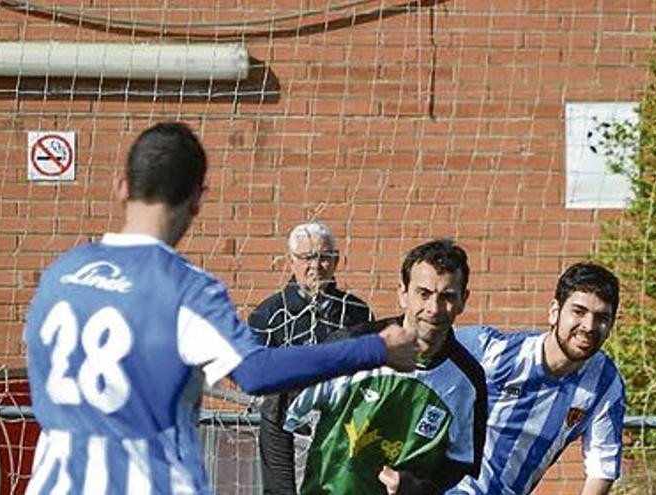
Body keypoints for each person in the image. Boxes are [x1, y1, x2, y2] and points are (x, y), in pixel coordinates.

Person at [21, 122, 418, 494]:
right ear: (197, 199)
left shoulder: (61, 274)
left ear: (122, 187)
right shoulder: (185, 289)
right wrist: (375, 348)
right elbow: (255, 372)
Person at [284, 239, 487, 495]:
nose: (434, 309)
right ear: (403, 293)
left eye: (447, 296)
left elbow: (462, 466)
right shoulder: (352, 350)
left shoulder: (467, 381)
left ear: (462, 301)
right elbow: (276, 412)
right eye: (423, 294)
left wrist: (419, 489)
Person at [444, 262, 626, 495]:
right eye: (579, 312)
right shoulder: (493, 351)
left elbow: (602, 467)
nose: (589, 326)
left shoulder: (606, 384)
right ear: (554, 312)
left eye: (601, 317)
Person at [249, 222, 373, 495]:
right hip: (286, 431)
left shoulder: (357, 313)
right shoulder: (269, 315)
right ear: (291, 261)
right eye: (306, 258)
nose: (315, 266)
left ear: (336, 261)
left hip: (343, 430)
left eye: (323, 257)